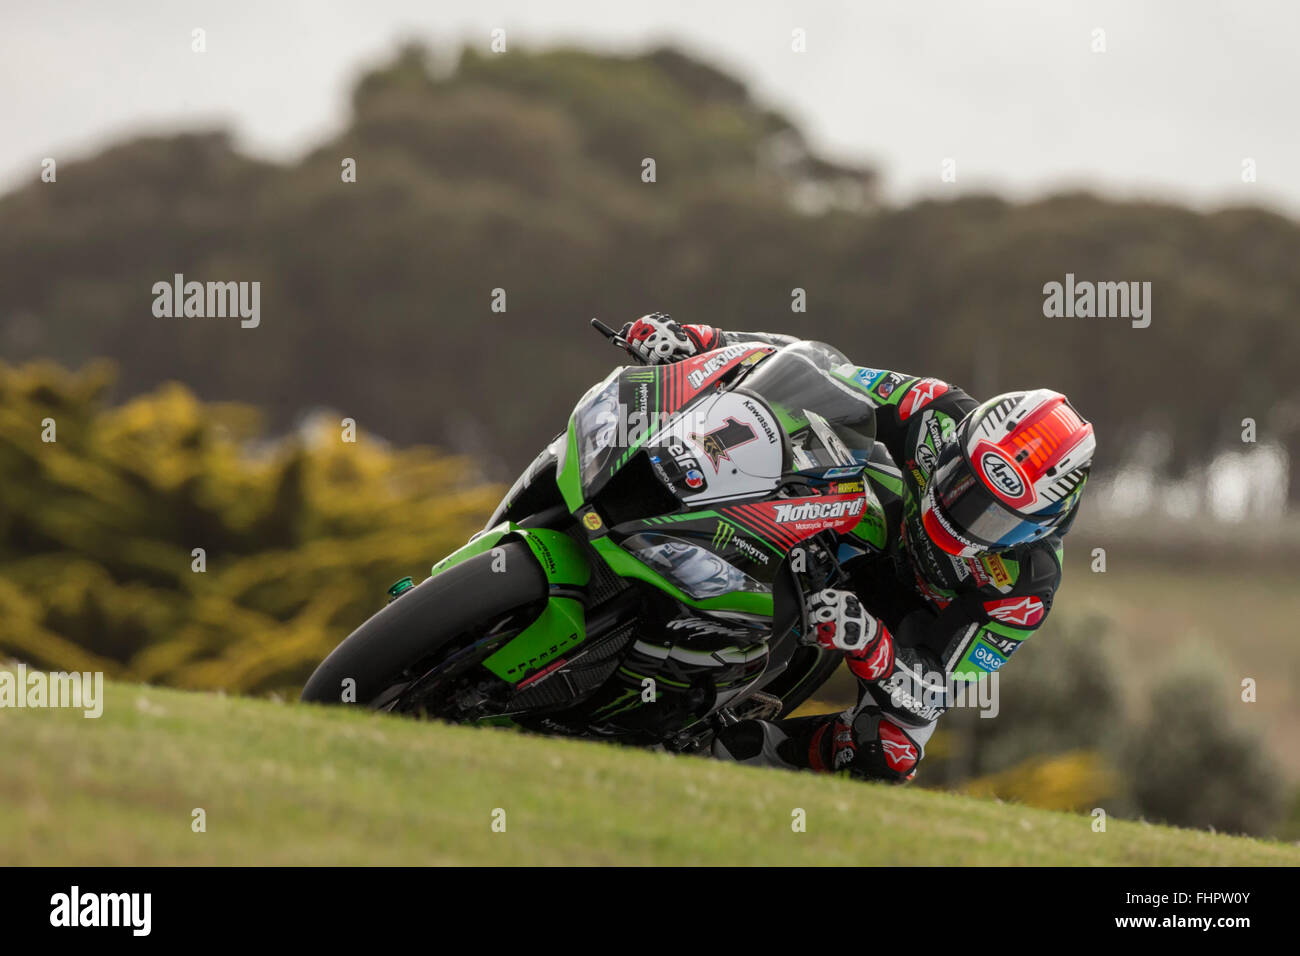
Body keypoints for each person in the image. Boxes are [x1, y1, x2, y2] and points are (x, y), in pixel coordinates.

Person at [618, 313, 1096, 782]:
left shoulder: (1027, 589)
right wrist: (702, 341)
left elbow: (936, 689)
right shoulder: (935, 409)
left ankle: (733, 756)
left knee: (894, 747)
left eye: (995, 519)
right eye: (959, 480)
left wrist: (870, 641)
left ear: (1039, 527)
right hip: (862, 520)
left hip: (902, 624)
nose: (960, 510)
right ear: (958, 440)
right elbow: (817, 372)